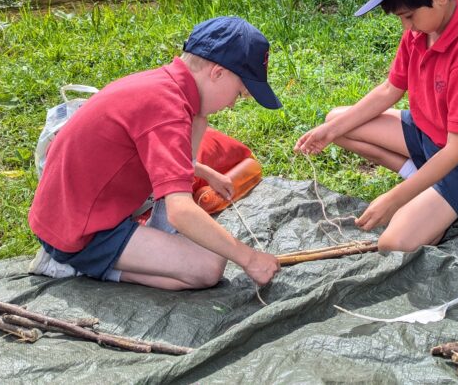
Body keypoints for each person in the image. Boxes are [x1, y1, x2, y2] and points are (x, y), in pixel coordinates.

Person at [27, 16, 282, 290]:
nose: (233, 104)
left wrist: (206, 172)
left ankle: (131, 249)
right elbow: (180, 212)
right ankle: (72, 266)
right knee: (207, 268)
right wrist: (250, 258)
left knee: (200, 121)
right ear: (217, 73)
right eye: (240, 93)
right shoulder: (167, 111)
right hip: (78, 232)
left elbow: (162, 156)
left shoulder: (166, 88)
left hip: (75, 211)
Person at [295, 0, 458, 252]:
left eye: (408, 16)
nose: (406, 27)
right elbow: (389, 90)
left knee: (393, 243)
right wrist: (328, 132)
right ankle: (424, 183)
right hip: (427, 135)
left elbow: (457, 151)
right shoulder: (420, 32)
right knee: (337, 121)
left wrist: (396, 198)